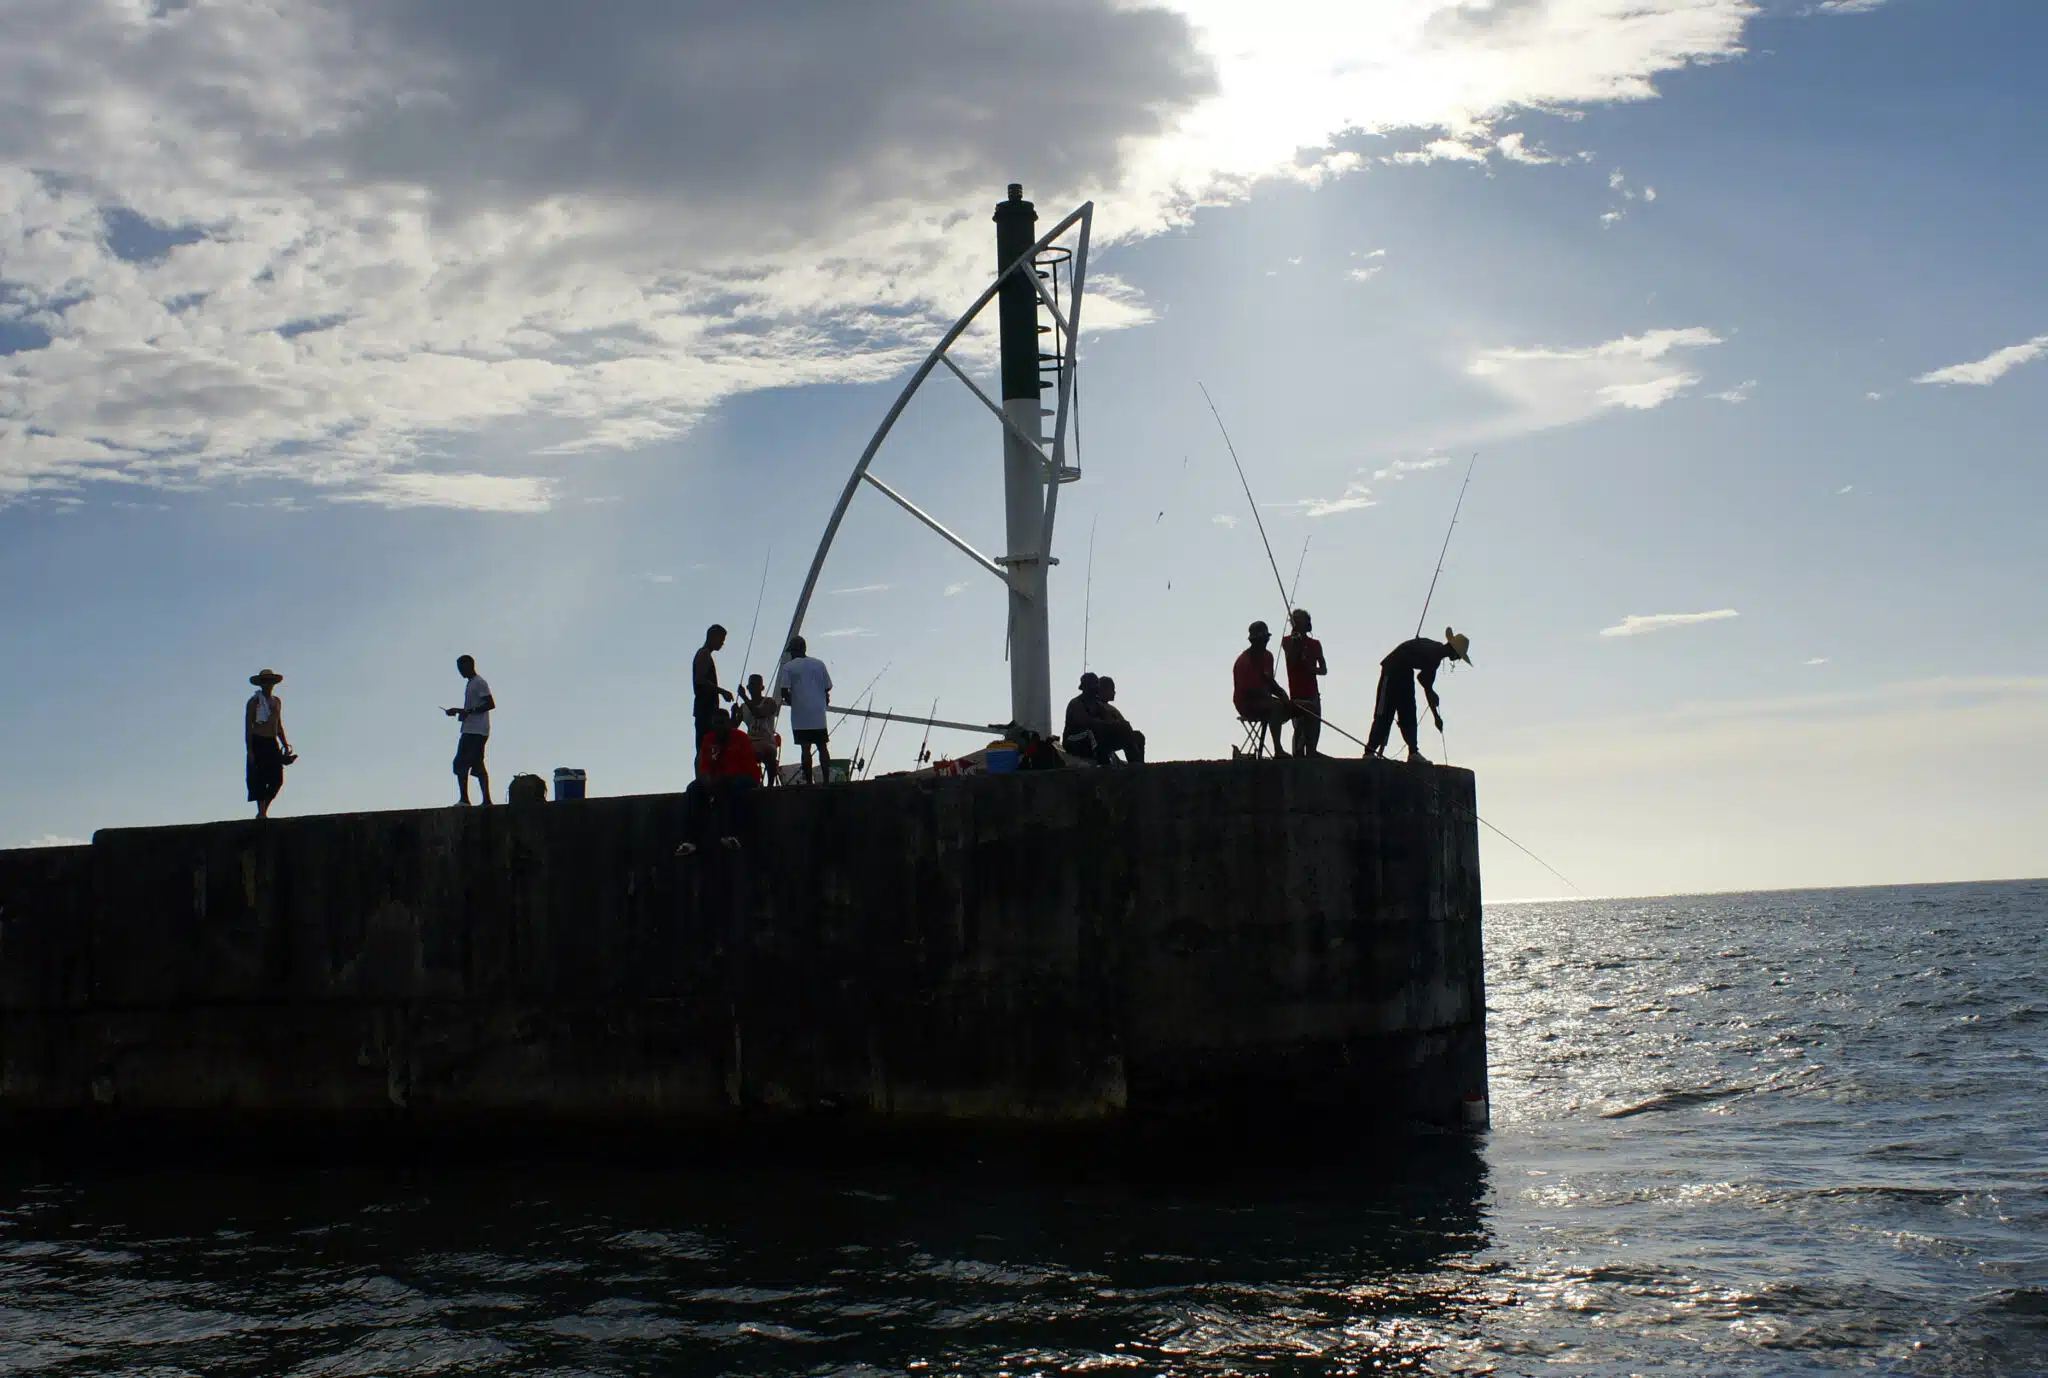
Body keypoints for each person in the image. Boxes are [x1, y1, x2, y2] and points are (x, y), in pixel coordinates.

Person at [1366, 627, 1472, 764]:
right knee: (1385, 711)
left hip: (1406, 672)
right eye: (1459, 656)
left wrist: (1436, 716)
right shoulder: (1434, 651)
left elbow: (1425, 682)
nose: (1457, 659)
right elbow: (1425, 683)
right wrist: (1433, 701)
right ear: (1454, 650)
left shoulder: (1436, 657)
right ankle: (1370, 750)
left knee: (1409, 712)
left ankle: (1413, 752)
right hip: (1392, 669)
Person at [676, 707, 762, 856]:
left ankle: (732, 834)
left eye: (721, 723)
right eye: (715, 723)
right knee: (693, 789)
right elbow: (704, 766)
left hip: (743, 778)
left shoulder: (741, 738)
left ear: (728, 723)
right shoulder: (709, 739)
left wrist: (720, 779)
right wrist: (706, 780)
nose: (718, 727)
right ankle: (690, 840)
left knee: (732, 790)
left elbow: (746, 766)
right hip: (717, 779)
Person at [775, 636, 834, 783]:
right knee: (822, 746)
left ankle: (809, 782)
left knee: (805, 748)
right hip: (818, 712)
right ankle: (826, 779)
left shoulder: (788, 667)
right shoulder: (819, 664)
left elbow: (784, 692)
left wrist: (795, 703)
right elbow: (827, 687)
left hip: (800, 715)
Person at [1231, 621, 1292, 758]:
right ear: (1253, 641)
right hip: (1246, 704)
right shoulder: (1243, 662)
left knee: (1298, 706)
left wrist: (1282, 694)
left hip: (1265, 700)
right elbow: (1246, 691)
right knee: (1276, 706)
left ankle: (1304, 750)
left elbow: (1269, 681)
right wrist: (1272, 698)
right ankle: (1278, 750)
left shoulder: (1268, 657)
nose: (1264, 643)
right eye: (1260, 640)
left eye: (1265, 640)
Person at [444, 654, 495, 805]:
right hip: (473, 729)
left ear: (470, 665)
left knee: (461, 763)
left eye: (462, 668)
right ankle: (486, 800)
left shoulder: (479, 682)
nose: (460, 672)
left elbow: (490, 704)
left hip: (476, 730)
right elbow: (473, 707)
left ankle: (465, 799)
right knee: (477, 764)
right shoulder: (471, 683)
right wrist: (461, 712)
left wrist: (468, 711)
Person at [244, 669, 293, 818]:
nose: (268, 685)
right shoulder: (254, 702)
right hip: (258, 741)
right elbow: (248, 727)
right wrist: (250, 750)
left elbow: (278, 725)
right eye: (265, 682)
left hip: (272, 743)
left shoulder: (276, 701)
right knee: (259, 779)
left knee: (277, 779)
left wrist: (285, 743)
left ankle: (263, 810)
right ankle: (262, 813)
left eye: (269, 682)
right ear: (261, 684)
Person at [1281, 608, 1328, 758]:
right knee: (1299, 730)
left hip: (1312, 692)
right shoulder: (1288, 641)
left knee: (1314, 730)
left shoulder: (1315, 644)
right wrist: (1297, 643)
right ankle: (1298, 758)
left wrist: (1312, 670)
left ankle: (1312, 755)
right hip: (1297, 693)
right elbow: (1292, 659)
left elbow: (1324, 669)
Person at [692, 624, 734, 777]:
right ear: (713, 636)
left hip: (707, 709)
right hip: (705, 709)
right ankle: (701, 778)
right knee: (705, 746)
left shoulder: (705, 655)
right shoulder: (703, 654)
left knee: (711, 746)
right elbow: (700, 679)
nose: (722, 643)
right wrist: (721, 691)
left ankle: (709, 777)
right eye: (721, 639)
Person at [736, 672, 781, 786]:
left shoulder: (769, 702)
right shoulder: (743, 707)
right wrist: (733, 714)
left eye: (756, 684)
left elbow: (759, 713)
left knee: (769, 753)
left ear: (762, 687)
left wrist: (744, 697)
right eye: (751, 684)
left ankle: (770, 785)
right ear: (748, 687)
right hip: (750, 742)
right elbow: (733, 726)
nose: (753, 687)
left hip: (767, 742)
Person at [1095, 676, 1146, 764]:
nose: (1114, 692)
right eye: (1112, 689)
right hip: (1102, 738)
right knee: (1125, 730)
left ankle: (1139, 764)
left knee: (1138, 736)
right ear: (1103, 690)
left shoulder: (1111, 708)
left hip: (1115, 735)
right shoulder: (1095, 705)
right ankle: (1135, 763)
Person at [1062, 673, 1109, 761]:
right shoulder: (1076, 703)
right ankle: (1101, 760)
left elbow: (1107, 720)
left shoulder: (1098, 704)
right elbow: (1085, 721)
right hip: (1072, 740)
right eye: (1092, 688)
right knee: (1091, 732)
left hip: (1089, 737)